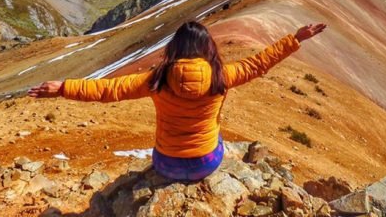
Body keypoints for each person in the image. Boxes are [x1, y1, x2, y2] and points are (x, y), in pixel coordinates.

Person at [28, 21, 326, 181]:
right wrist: (295, 38)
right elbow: (258, 64)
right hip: (206, 164)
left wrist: (64, 87)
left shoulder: (157, 79)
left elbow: (109, 90)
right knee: (216, 135)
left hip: (165, 164)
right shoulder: (222, 76)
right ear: (207, 47)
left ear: (176, 47)